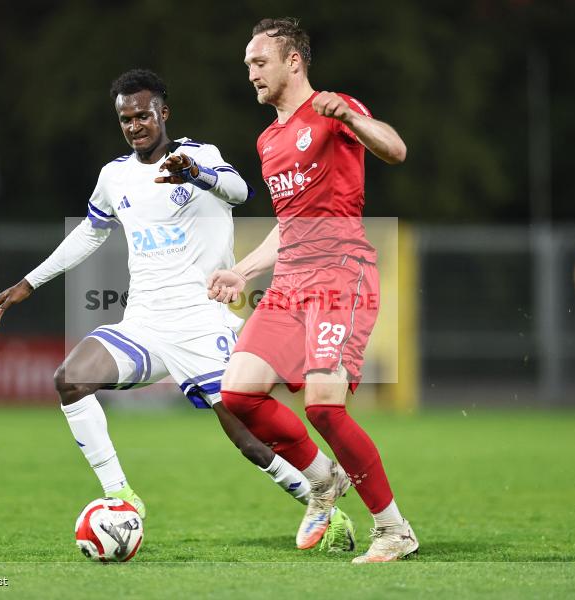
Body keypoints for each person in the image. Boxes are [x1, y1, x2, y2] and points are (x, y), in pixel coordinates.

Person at [0, 69, 355, 551]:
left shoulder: (199, 156)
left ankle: (324, 503)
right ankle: (121, 496)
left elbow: (240, 193)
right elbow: (91, 232)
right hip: (144, 322)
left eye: (143, 114)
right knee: (70, 379)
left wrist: (194, 174)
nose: (135, 125)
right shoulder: (114, 176)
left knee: (249, 441)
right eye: (126, 119)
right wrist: (30, 282)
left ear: (164, 112)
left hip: (202, 322)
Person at [207, 18, 417, 563]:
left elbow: (394, 149)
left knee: (325, 407)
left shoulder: (331, 108)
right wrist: (244, 272)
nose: (250, 73)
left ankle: (394, 530)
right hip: (290, 282)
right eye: (248, 64)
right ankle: (323, 479)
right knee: (238, 393)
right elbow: (289, 223)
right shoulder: (268, 139)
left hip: (340, 274)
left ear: (293, 61)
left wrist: (350, 117)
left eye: (259, 62)